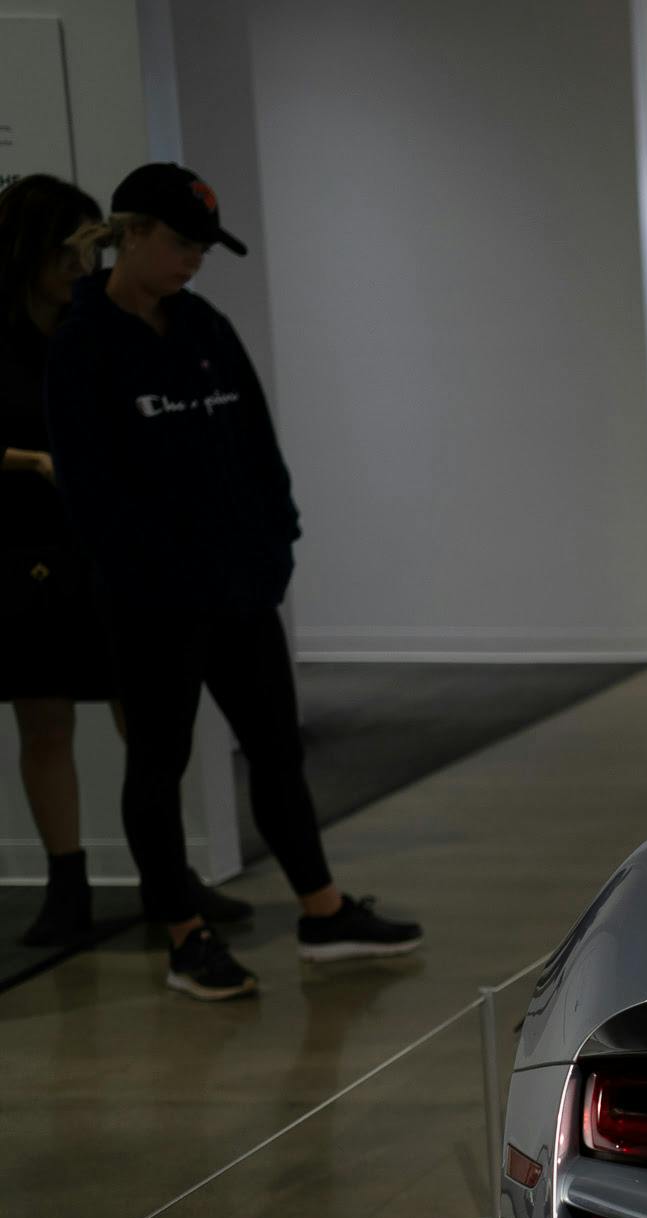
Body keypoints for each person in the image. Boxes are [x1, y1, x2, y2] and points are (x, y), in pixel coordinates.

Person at [48, 162, 420, 1000]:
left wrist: (274, 543)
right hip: (153, 603)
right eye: (181, 243)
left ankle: (322, 913)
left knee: (277, 752)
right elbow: (89, 487)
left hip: (241, 590)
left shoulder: (204, 326)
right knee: (159, 761)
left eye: (202, 249)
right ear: (131, 233)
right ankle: (185, 936)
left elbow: (257, 443)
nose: (193, 261)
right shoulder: (83, 345)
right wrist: (150, 573)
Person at [2, 175, 118, 950]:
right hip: (24, 549)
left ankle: (170, 871)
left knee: (148, 715)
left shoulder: (94, 327)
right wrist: (34, 462)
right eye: (70, 253)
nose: (84, 269)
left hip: (105, 541)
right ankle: (66, 883)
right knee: (44, 722)